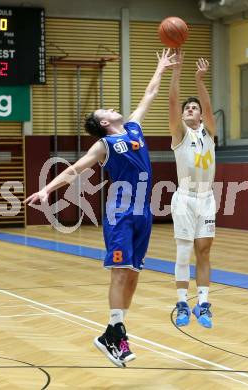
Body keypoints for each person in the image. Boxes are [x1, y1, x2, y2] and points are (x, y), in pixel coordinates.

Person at [24, 49, 177, 367]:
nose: (111, 107)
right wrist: (46, 190)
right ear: (104, 122)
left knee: (133, 277)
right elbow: (72, 170)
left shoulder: (134, 127)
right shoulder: (103, 145)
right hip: (119, 213)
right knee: (120, 273)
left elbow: (149, 94)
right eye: (105, 108)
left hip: (143, 214)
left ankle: (112, 333)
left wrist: (160, 66)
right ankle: (116, 334)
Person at [169, 50, 216, 329]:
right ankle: (182, 302)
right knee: (184, 252)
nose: (190, 109)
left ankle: (203, 303)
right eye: (188, 108)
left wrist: (199, 80)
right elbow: (174, 103)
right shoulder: (179, 133)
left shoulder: (209, 132)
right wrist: (177, 71)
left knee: (204, 250)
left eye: (194, 108)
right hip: (185, 198)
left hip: (206, 198)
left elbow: (209, 109)